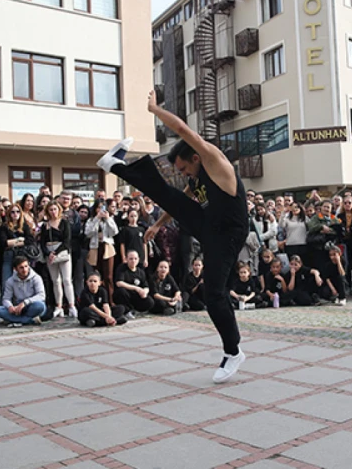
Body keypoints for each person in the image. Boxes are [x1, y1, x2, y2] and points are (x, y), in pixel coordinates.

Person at [97, 91, 250, 383]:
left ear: (195, 157)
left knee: (215, 293)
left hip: (228, 233)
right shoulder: (197, 175)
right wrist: (159, 223)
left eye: (184, 168)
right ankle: (116, 164)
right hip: (208, 225)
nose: (184, 173)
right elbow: (181, 199)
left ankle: (233, 352)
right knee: (167, 194)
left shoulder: (214, 160)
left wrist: (154, 108)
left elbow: (182, 130)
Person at [0, 256, 46, 327]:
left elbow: (41, 295)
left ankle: (17, 320)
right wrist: (10, 306)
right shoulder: (10, 281)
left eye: (26, 266)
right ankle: (29, 320)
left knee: (40, 306)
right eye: (21, 267)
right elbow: (6, 298)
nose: (24, 270)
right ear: (15, 269)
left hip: (31, 305)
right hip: (18, 308)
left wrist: (25, 302)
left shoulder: (36, 278)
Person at [114, 250, 154, 318]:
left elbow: (146, 286)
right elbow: (119, 283)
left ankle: (136, 310)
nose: (133, 261)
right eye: (131, 259)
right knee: (121, 291)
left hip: (136, 296)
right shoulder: (122, 268)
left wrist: (144, 291)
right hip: (126, 294)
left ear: (138, 259)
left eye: (135, 258)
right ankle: (127, 311)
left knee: (150, 301)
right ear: (126, 259)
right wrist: (136, 288)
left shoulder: (141, 271)